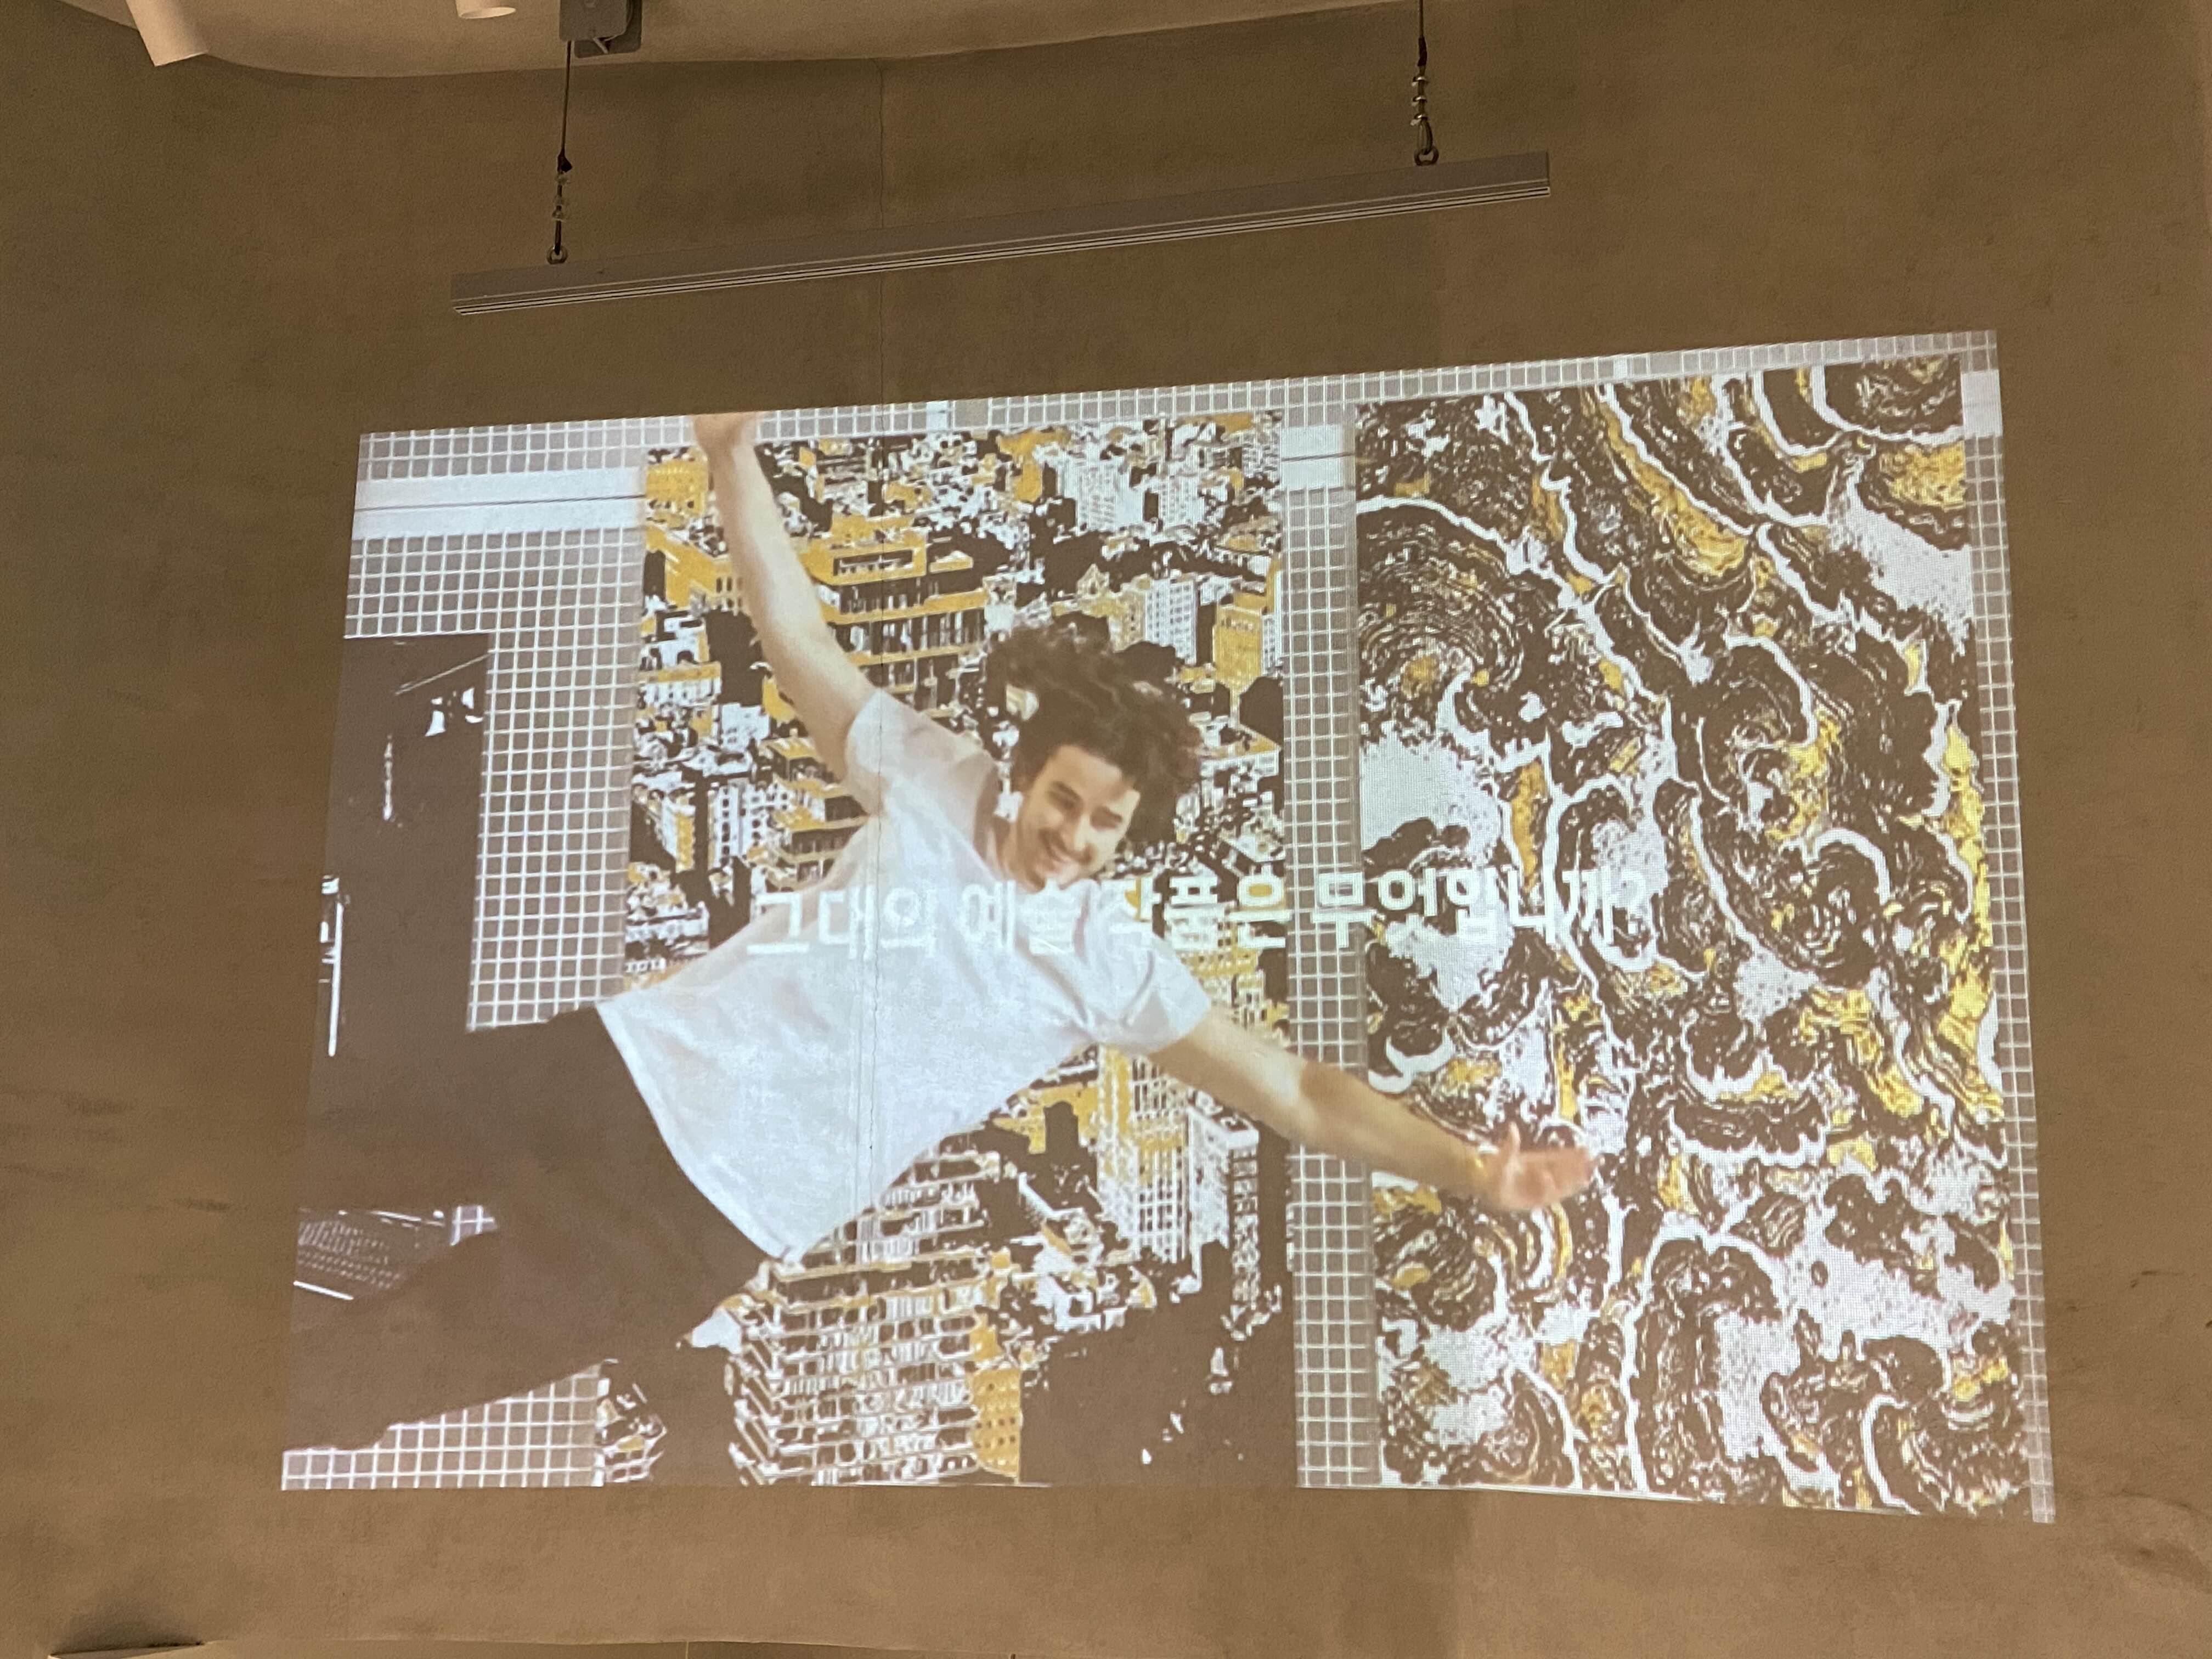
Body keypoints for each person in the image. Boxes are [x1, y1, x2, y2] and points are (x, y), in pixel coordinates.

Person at [285, 413, 1595, 1454]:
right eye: (1064, 800)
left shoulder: (1106, 964)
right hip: (617, 1082)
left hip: (697, 1229)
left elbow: (1298, 1091)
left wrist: (1467, 1169)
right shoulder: (930, 772)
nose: (1073, 837)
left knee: (366, 1377)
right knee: (305, 1132)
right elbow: (797, 638)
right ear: (1026, 772)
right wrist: (731, 457)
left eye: (1107, 824)